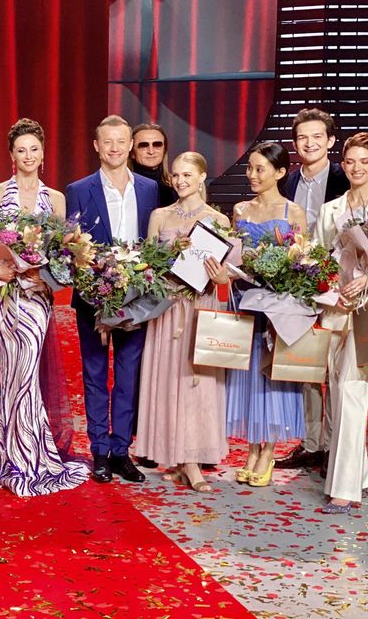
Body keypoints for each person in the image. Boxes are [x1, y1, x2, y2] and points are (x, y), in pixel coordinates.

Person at [0, 119, 88, 496]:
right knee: (11, 372)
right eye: (21, 150)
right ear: (12, 155)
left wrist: (49, 277)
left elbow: (63, 253)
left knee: (26, 371)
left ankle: (28, 457)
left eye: (34, 149)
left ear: (43, 154)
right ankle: (8, 454)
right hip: (5, 296)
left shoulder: (55, 199)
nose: (28, 156)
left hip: (37, 297)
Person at [66, 115, 159, 484]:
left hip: (137, 298)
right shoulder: (79, 188)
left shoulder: (149, 188)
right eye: (108, 141)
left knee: (127, 376)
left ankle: (121, 451)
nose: (115, 148)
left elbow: (153, 246)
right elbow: (73, 248)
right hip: (92, 297)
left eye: (122, 141)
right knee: (93, 374)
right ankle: (99, 451)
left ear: (130, 145)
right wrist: (96, 291)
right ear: (97, 146)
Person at [135, 152, 230, 492]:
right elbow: (144, 266)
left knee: (195, 383)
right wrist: (168, 253)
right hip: (167, 308)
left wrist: (220, 277)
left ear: (202, 177)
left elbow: (224, 275)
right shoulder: (159, 216)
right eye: (175, 174)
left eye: (187, 174)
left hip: (198, 307)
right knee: (167, 380)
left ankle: (192, 459)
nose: (180, 180)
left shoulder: (217, 220)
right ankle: (173, 455)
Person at [227, 141, 307, 487]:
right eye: (250, 168)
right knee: (247, 378)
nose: (253, 175)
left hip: (278, 308)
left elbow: (301, 260)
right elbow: (234, 255)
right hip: (246, 301)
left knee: (273, 377)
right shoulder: (240, 210)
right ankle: (250, 449)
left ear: (279, 172)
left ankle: (268, 452)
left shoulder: (293, 212)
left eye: (260, 169)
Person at [276, 107, 348, 475]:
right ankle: (311, 444)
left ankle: (335, 449)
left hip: (337, 286)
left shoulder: (344, 178)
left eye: (318, 136)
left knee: (335, 369)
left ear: (331, 141)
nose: (310, 143)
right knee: (305, 368)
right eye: (303, 137)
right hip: (298, 288)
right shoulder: (288, 182)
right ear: (295, 143)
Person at [312, 131, 368, 513]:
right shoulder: (331, 210)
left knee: (353, 389)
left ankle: (343, 489)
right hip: (335, 305)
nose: (356, 168)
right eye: (350, 162)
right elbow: (319, 259)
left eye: (364, 162)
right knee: (336, 392)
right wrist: (328, 288)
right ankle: (359, 474)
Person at [130, 123, 177, 206]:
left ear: (164, 150)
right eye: (143, 146)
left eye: (157, 145)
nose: (151, 151)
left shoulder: (176, 185)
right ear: (132, 152)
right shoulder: (124, 187)